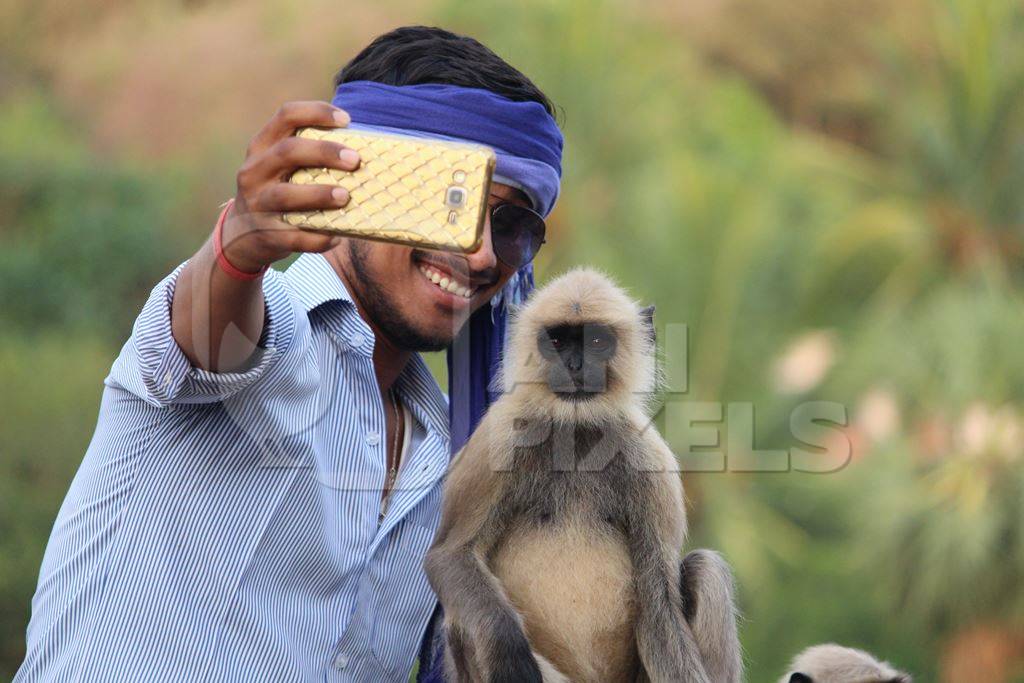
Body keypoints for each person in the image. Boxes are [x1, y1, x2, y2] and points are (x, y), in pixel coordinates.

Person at [15, 25, 563, 682]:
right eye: (454, 204)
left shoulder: (456, 453)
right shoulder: (259, 326)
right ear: (352, 177)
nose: (479, 255)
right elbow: (209, 333)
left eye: (511, 225)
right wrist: (237, 246)